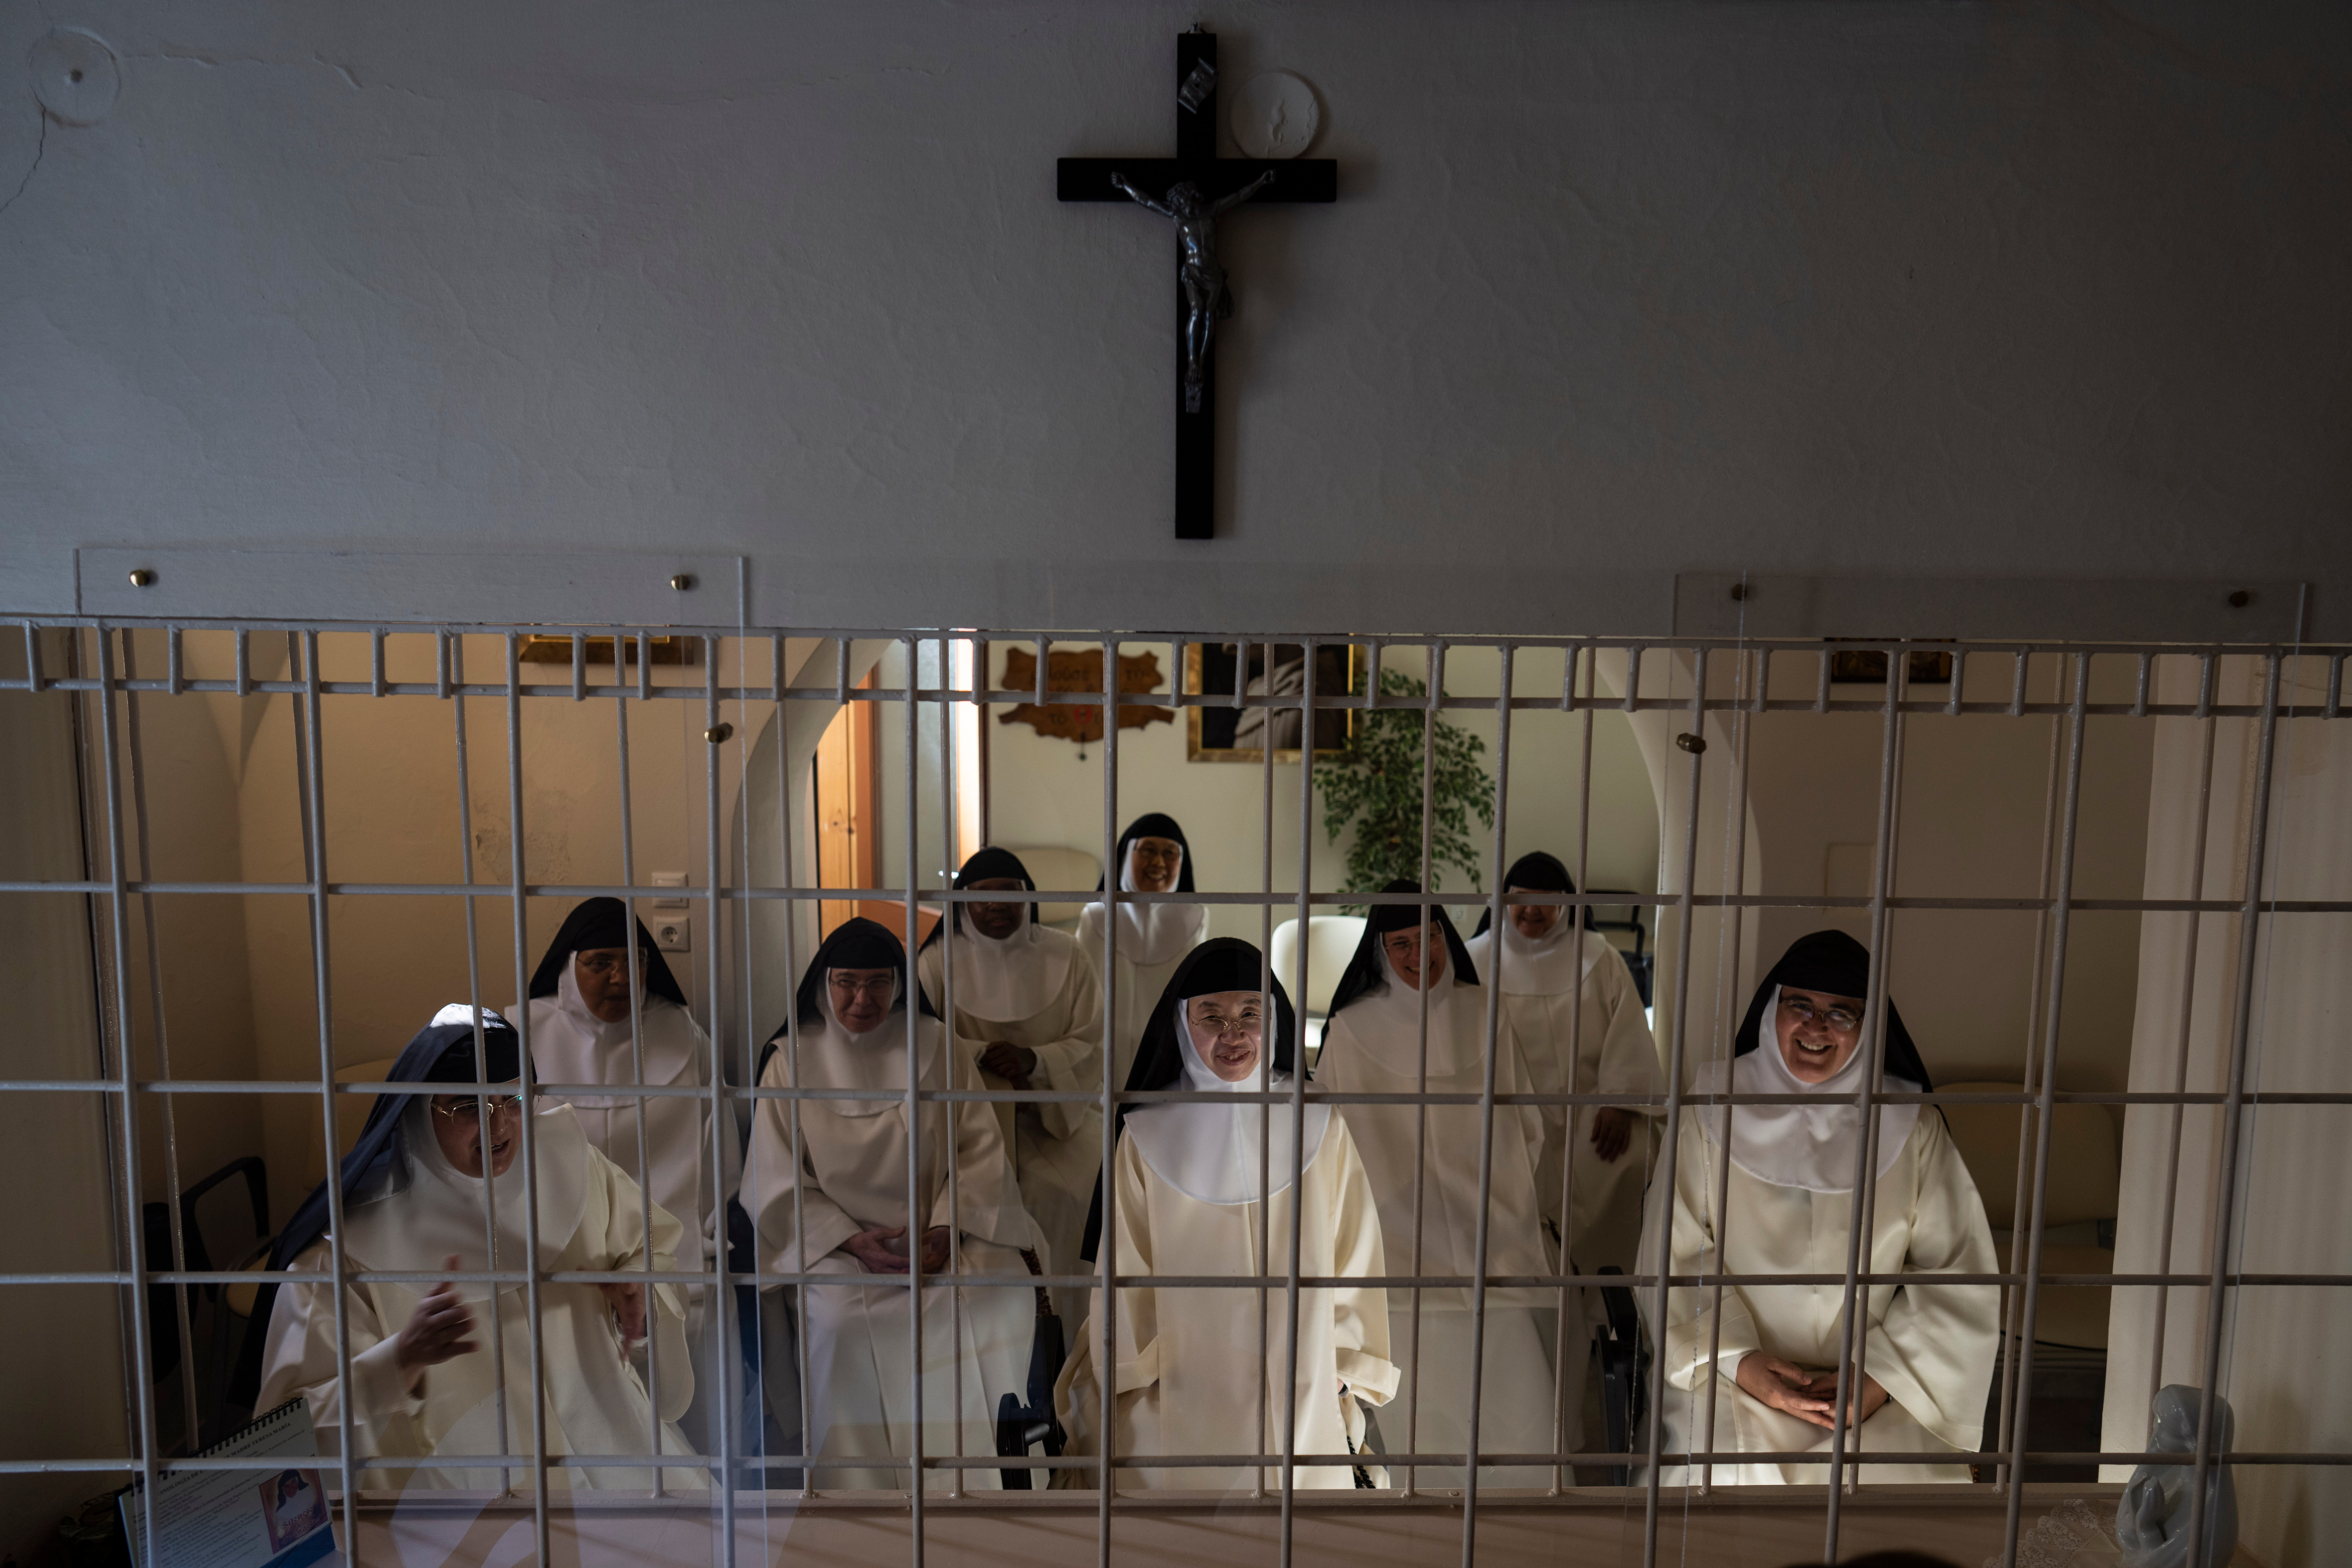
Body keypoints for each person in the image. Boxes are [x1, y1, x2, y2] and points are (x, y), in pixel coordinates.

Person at [254, 1007, 700, 1491]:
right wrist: (400, 1359)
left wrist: (639, 1287)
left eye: (512, 1098)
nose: (499, 1127)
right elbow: (292, 1437)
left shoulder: (574, 1166)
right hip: (462, 1487)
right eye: (468, 1107)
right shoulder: (348, 1246)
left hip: (613, 1440)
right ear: (418, 1113)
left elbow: (651, 1247)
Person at [1640, 930, 1998, 1485]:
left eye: (1842, 1013)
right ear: (1772, 1010)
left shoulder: (1910, 1125)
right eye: (1800, 1005)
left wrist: (1878, 1380)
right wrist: (1744, 1363)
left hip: (1875, 1384)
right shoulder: (1709, 1113)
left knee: (1903, 1490)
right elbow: (1674, 1253)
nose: (1816, 1026)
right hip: (1733, 1372)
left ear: (1868, 1027)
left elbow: (1958, 1272)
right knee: (1720, 1481)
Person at [1054, 939, 1394, 1493]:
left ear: (1274, 1021)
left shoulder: (1319, 1123)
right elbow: (1126, 1266)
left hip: (1305, 1362)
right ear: (1183, 1025)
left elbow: (1354, 1250)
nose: (1233, 1034)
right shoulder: (1146, 1133)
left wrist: (1344, 1362)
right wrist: (1147, 1370)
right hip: (1176, 1368)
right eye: (1211, 1016)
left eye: (1249, 1015)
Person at [746, 917, 1038, 1490]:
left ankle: (971, 1483)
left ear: (900, 985)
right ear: (823, 986)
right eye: (847, 983)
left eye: (879, 983)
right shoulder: (791, 1060)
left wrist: (950, 1227)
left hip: (943, 1237)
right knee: (837, 1323)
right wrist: (848, 1239)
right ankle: (857, 1490)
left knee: (991, 1302)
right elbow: (773, 1177)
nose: (863, 999)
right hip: (837, 1247)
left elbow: (979, 1148)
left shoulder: (938, 1046)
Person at [1314, 882, 1560, 1489]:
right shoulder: (1349, 1029)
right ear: (1380, 951)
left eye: (1427, 937)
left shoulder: (1487, 1012)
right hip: (1398, 1264)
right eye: (1400, 942)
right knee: (1423, 1431)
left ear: (1444, 937)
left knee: (1517, 1415)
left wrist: (1500, 1196)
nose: (1417, 953)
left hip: (1492, 1251)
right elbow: (1326, 1146)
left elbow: (1528, 1121)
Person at [509, 896, 740, 1448]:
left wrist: (707, 1235)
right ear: (569, 967)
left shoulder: (684, 1036)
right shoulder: (521, 1036)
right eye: (600, 963)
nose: (619, 978)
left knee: (697, 1308)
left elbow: (721, 1155)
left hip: (670, 1239)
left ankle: (705, 1477)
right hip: (558, 1249)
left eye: (633, 962)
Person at [917, 847, 1105, 1325]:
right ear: (962, 904)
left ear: (1030, 900)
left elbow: (1091, 1040)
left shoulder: (1069, 955)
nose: (997, 906)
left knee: (1080, 1191)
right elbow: (919, 1040)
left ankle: (1074, 1328)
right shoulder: (937, 962)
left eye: (1010, 894)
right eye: (982, 897)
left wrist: (1036, 1061)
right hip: (967, 1130)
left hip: (1055, 1119)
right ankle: (1000, 1339)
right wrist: (980, 1054)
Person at [1463, 853, 1662, 1271]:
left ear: (1567, 904)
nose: (1531, 911)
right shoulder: (1475, 961)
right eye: (1520, 900)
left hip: (1588, 1113)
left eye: (1545, 900)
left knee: (1632, 1161)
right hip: (1506, 1114)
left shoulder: (1599, 957)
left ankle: (1602, 1295)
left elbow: (1627, 1031)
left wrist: (1619, 1100)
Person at [1076, 814, 1208, 1092]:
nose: (1159, 862)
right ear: (1126, 856)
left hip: (1168, 1054)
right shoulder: (1096, 917)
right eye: (1148, 851)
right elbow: (1081, 997)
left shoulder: (1194, 917)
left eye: (1170, 854)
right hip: (1102, 1053)